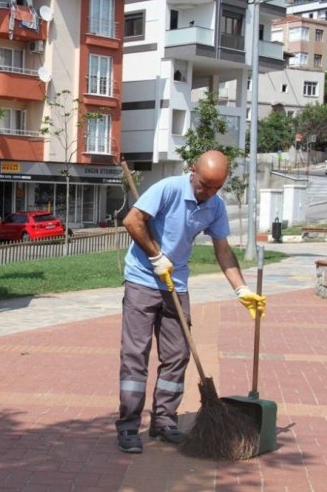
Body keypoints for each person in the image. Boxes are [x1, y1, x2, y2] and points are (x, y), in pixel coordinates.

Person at [116, 150, 266, 454]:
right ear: (193, 170)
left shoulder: (215, 206)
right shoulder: (168, 188)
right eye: (204, 185)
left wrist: (241, 290)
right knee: (136, 355)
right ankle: (129, 426)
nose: (207, 192)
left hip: (177, 284)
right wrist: (156, 256)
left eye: (215, 188)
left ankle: (164, 421)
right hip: (143, 280)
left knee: (178, 355)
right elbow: (132, 221)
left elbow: (223, 250)